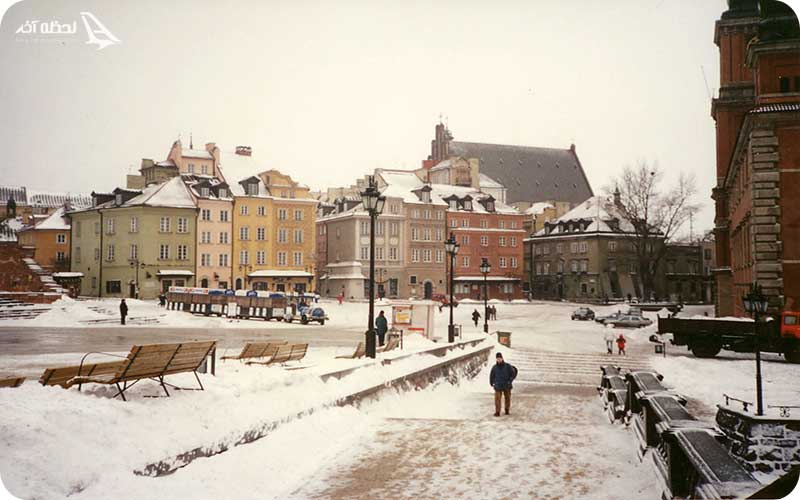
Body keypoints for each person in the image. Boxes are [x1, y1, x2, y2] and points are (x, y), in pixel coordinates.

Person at [489, 352, 518, 416]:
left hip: (506, 385)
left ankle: (507, 410)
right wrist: (491, 382)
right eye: (497, 358)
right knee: (497, 399)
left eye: (500, 358)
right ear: (496, 359)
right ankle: (497, 412)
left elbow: (513, 373)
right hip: (498, 385)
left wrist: (510, 381)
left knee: (507, 398)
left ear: (502, 358)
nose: (499, 360)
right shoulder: (494, 367)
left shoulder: (507, 366)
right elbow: (492, 375)